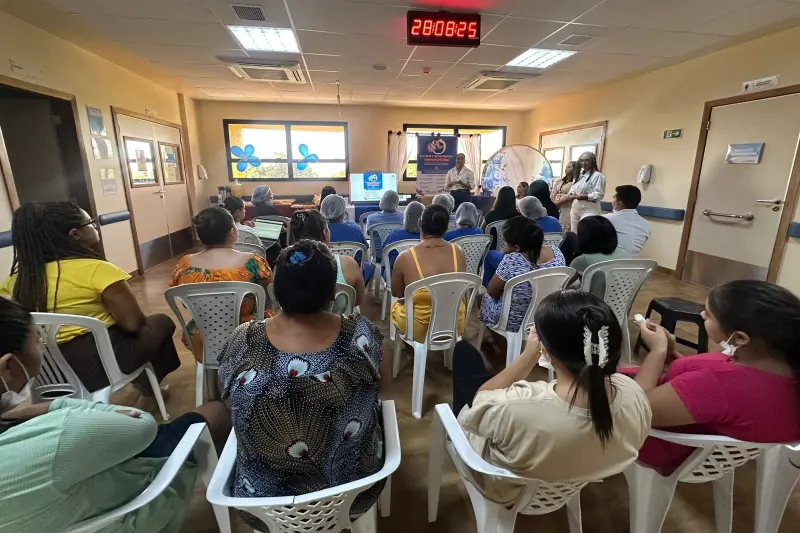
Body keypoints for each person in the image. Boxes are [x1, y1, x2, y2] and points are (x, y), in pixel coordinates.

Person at [0, 296, 231, 533]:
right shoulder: (59, 431)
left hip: (63, 501)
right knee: (216, 411)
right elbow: (143, 427)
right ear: (8, 366)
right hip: (121, 514)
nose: (40, 347)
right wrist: (52, 407)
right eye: (38, 341)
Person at [217, 240, 388, 530]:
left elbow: (227, 398)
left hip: (263, 504)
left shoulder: (243, 339)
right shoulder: (361, 332)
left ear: (274, 292)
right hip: (353, 495)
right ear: (334, 292)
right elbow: (381, 388)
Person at [456, 290, 651, 505]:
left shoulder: (514, 405)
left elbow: (480, 400)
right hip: (571, 480)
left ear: (546, 351)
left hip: (507, 490)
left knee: (464, 355)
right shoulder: (634, 395)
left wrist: (528, 356)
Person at [0, 201, 180, 399]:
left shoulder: (15, 281)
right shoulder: (97, 269)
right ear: (75, 234)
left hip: (47, 371)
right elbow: (133, 324)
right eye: (91, 223)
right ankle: (148, 388)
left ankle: (144, 384)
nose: (95, 226)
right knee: (161, 322)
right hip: (98, 366)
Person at [632, 280, 800, 475]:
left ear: (739, 337)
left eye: (709, 315)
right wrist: (672, 354)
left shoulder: (721, 385)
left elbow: (635, 410)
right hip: (694, 426)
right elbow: (702, 390)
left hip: (659, 440)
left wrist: (657, 351)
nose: (702, 315)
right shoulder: (779, 366)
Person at [170, 207, 272, 362]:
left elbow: (184, 303)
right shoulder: (253, 261)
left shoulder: (185, 264)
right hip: (248, 333)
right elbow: (270, 290)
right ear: (233, 231)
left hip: (203, 335)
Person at [391, 204, 467, 343]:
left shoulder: (405, 257)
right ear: (446, 227)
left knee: (397, 306)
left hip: (419, 329)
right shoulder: (459, 252)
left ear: (420, 222)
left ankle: (409, 349)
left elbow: (396, 293)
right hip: (455, 324)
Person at [480, 217, 566, 334]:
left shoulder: (511, 260)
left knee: (481, 298)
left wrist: (506, 291)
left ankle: (496, 341)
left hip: (515, 320)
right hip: (547, 313)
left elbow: (491, 292)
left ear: (517, 247)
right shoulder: (557, 253)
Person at [289, 209, 365, 310]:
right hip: (340, 324)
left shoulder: (283, 267)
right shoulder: (348, 264)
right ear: (325, 234)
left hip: (297, 325)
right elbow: (357, 300)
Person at [569, 216, 631, 297]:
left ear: (584, 238)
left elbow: (562, 282)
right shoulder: (624, 253)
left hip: (591, 306)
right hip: (620, 304)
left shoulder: (583, 260)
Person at [320, 194, 373, 284]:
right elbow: (365, 248)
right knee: (367, 267)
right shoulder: (354, 229)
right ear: (343, 211)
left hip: (324, 275)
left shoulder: (319, 230)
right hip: (352, 274)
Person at [605, 185, 651, 256]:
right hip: (634, 265)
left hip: (611, 264)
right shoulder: (646, 225)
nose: (612, 201)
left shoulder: (607, 219)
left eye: (614, 198)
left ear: (619, 204)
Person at [568, 152, 606, 231]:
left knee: (586, 233)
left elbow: (599, 195)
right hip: (575, 208)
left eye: (587, 160)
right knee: (574, 233)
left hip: (589, 210)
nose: (584, 163)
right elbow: (572, 188)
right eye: (581, 160)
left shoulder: (598, 176)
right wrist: (571, 193)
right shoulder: (578, 175)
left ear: (592, 161)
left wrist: (583, 196)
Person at [551, 161, 577, 232]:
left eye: (569, 167)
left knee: (565, 228)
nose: (566, 169)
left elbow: (570, 196)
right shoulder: (560, 181)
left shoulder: (575, 182)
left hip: (567, 207)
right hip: (556, 207)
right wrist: (552, 204)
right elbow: (553, 193)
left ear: (574, 169)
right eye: (566, 167)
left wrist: (557, 203)